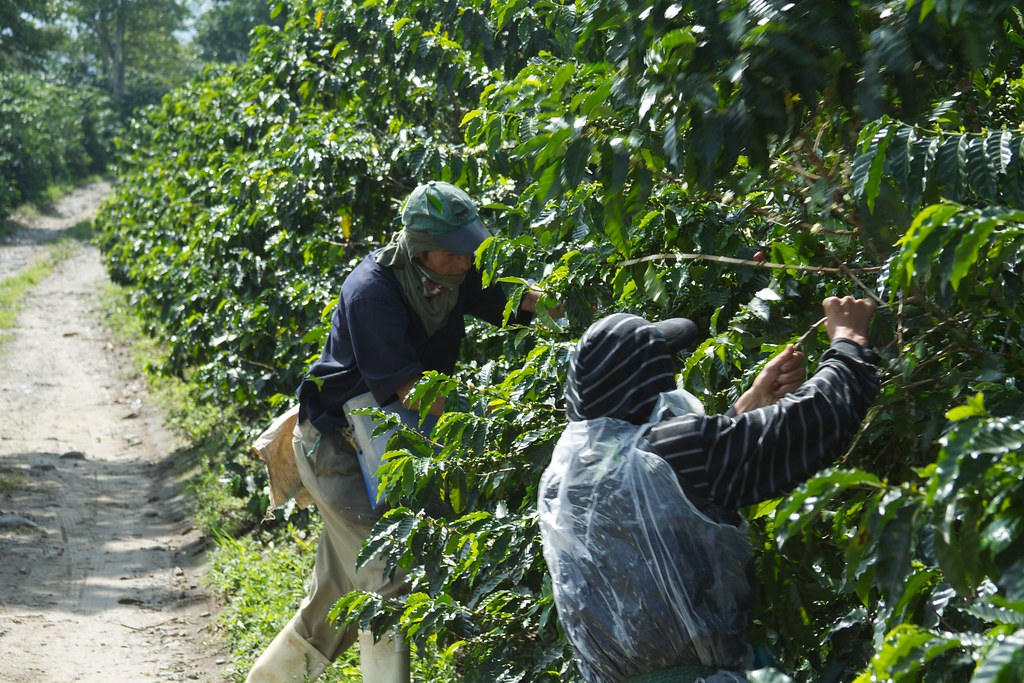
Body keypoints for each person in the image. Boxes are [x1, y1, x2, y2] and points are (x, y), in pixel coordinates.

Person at [247, 181, 548, 683]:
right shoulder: (372, 292)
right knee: (387, 584)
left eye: (471, 251)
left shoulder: (454, 273)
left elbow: (519, 299)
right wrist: (497, 418)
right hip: (337, 449)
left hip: (385, 445)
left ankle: (269, 680)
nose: (468, 261)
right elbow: (412, 392)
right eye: (457, 252)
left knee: (340, 593)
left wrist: (571, 299)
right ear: (422, 249)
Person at [538, 296, 879, 682]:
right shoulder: (672, 450)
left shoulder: (565, 477)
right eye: (668, 367)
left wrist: (749, 407)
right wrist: (848, 342)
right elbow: (815, 421)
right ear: (652, 383)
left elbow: (676, 501)